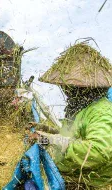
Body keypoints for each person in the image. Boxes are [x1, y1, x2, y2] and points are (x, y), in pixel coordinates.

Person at [33, 42, 112, 188]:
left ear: (80, 88)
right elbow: (76, 137)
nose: (65, 90)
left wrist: (55, 141)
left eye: (68, 87)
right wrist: (49, 131)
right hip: (70, 175)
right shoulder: (81, 107)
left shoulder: (101, 111)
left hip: (88, 183)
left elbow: (98, 151)